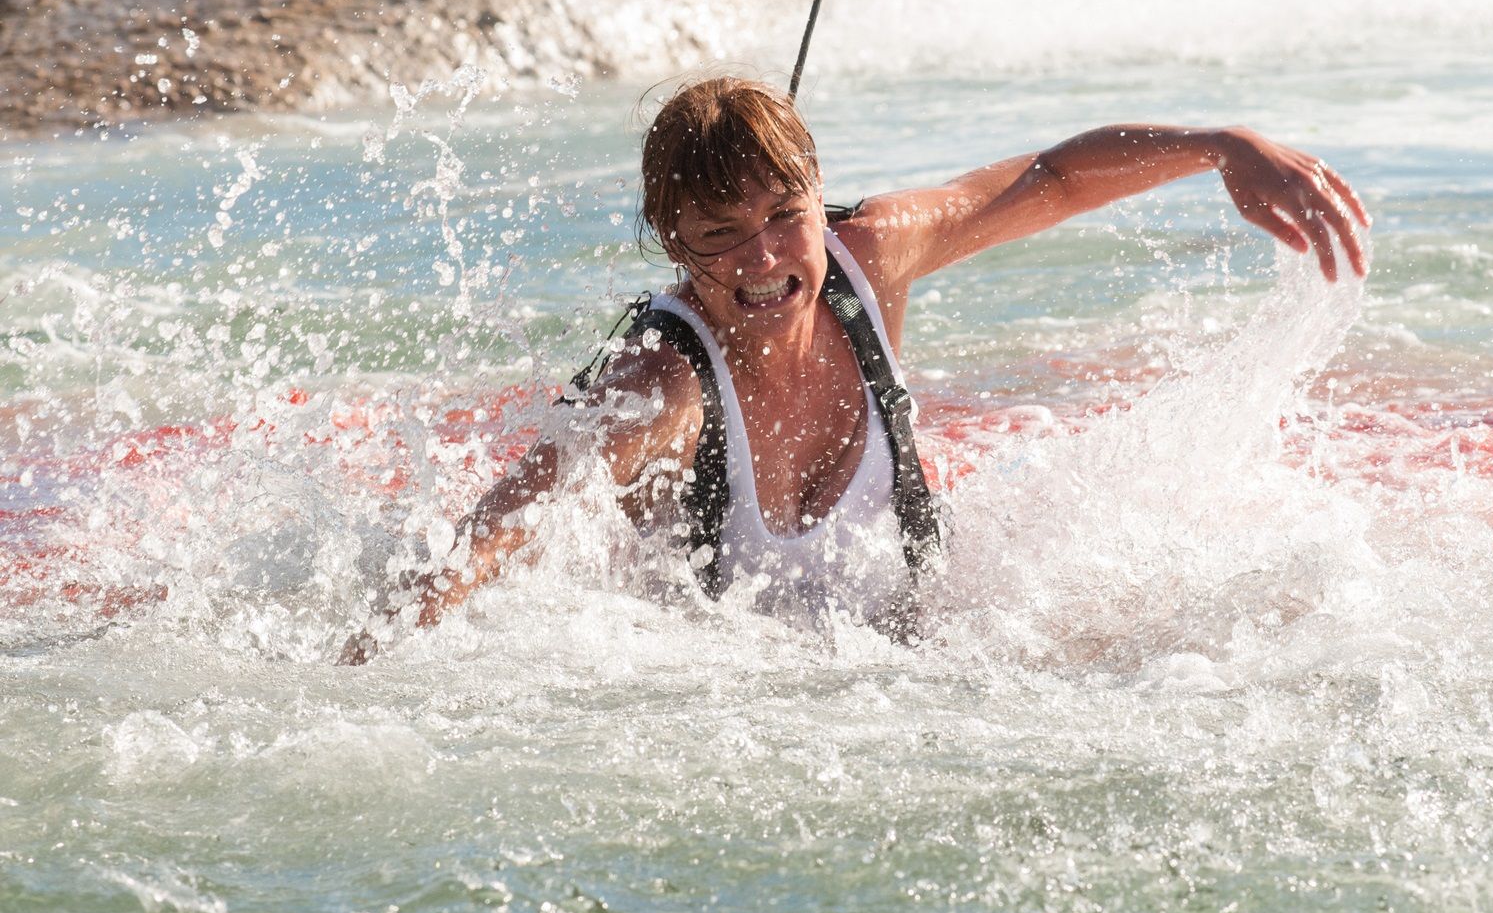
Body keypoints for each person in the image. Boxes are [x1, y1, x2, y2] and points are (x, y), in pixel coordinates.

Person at [337, 76, 1370, 664]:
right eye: (721, 234)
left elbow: (1049, 178)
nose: (766, 261)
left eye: (785, 217)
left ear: (818, 192)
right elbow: (493, 533)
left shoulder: (868, 254)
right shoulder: (660, 390)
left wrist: (1218, 142)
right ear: (672, 242)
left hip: (917, 656)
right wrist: (351, 674)